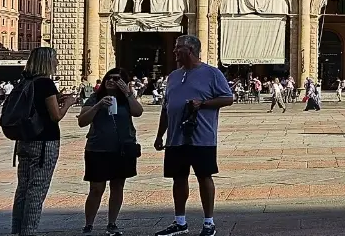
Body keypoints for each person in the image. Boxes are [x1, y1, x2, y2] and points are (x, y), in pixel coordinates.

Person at [153, 35, 234, 236]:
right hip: (175, 138)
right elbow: (166, 108)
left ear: (189, 50)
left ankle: (209, 223)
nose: (174, 52)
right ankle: (180, 221)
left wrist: (203, 103)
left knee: (204, 177)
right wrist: (159, 135)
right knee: (178, 178)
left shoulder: (212, 74)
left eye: (177, 48)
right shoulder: (172, 76)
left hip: (202, 137)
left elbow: (228, 98)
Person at [10, 47, 78, 236]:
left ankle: (17, 230)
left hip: (24, 141)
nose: (57, 63)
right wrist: (68, 103)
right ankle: (29, 231)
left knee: (23, 188)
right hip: (44, 142)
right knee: (37, 189)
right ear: (47, 62)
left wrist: (56, 99)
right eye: (55, 59)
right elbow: (55, 116)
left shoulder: (25, 82)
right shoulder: (46, 84)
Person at [78, 67, 144, 236]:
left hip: (122, 149)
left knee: (117, 187)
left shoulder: (126, 100)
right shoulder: (95, 98)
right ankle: (88, 224)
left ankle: (112, 223)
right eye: (109, 77)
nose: (111, 81)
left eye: (116, 79)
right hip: (98, 149)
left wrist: (128, 93)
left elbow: (138, 112)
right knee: (96, 188)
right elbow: (82, 121)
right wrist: (98, 105)